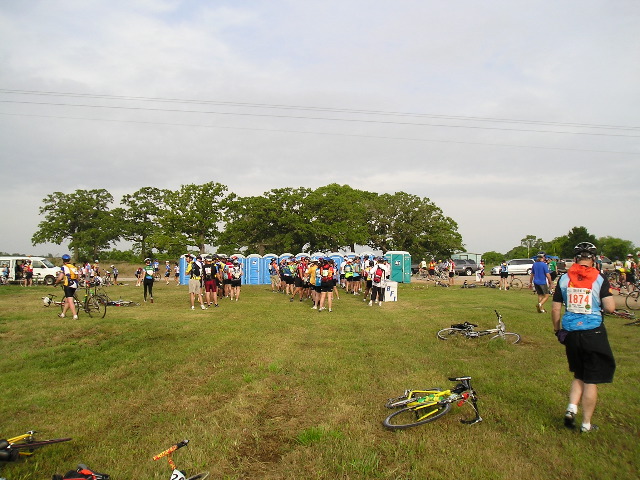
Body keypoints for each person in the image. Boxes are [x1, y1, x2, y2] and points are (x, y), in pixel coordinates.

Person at [551, 242, 615, 433]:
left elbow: (555, 308)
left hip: (570, 332)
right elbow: (610, 307)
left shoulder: (563, 279)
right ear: (593, 259)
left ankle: (572, 408)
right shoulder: (599, 278)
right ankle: (586, 424)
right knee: (591, 379)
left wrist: (557, 330)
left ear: (576, 258)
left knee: (579, 373)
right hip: (592, 331)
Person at [54, 254, 79, 319]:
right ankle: (63, 314)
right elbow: (77, 277)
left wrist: (56, 283)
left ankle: (75, 315)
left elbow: (60, 278)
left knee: (70, 300)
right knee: (67, 300)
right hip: (75, 284)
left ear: (63, 260)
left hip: (68, 285)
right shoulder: (73, 267)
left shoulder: (64, 267)